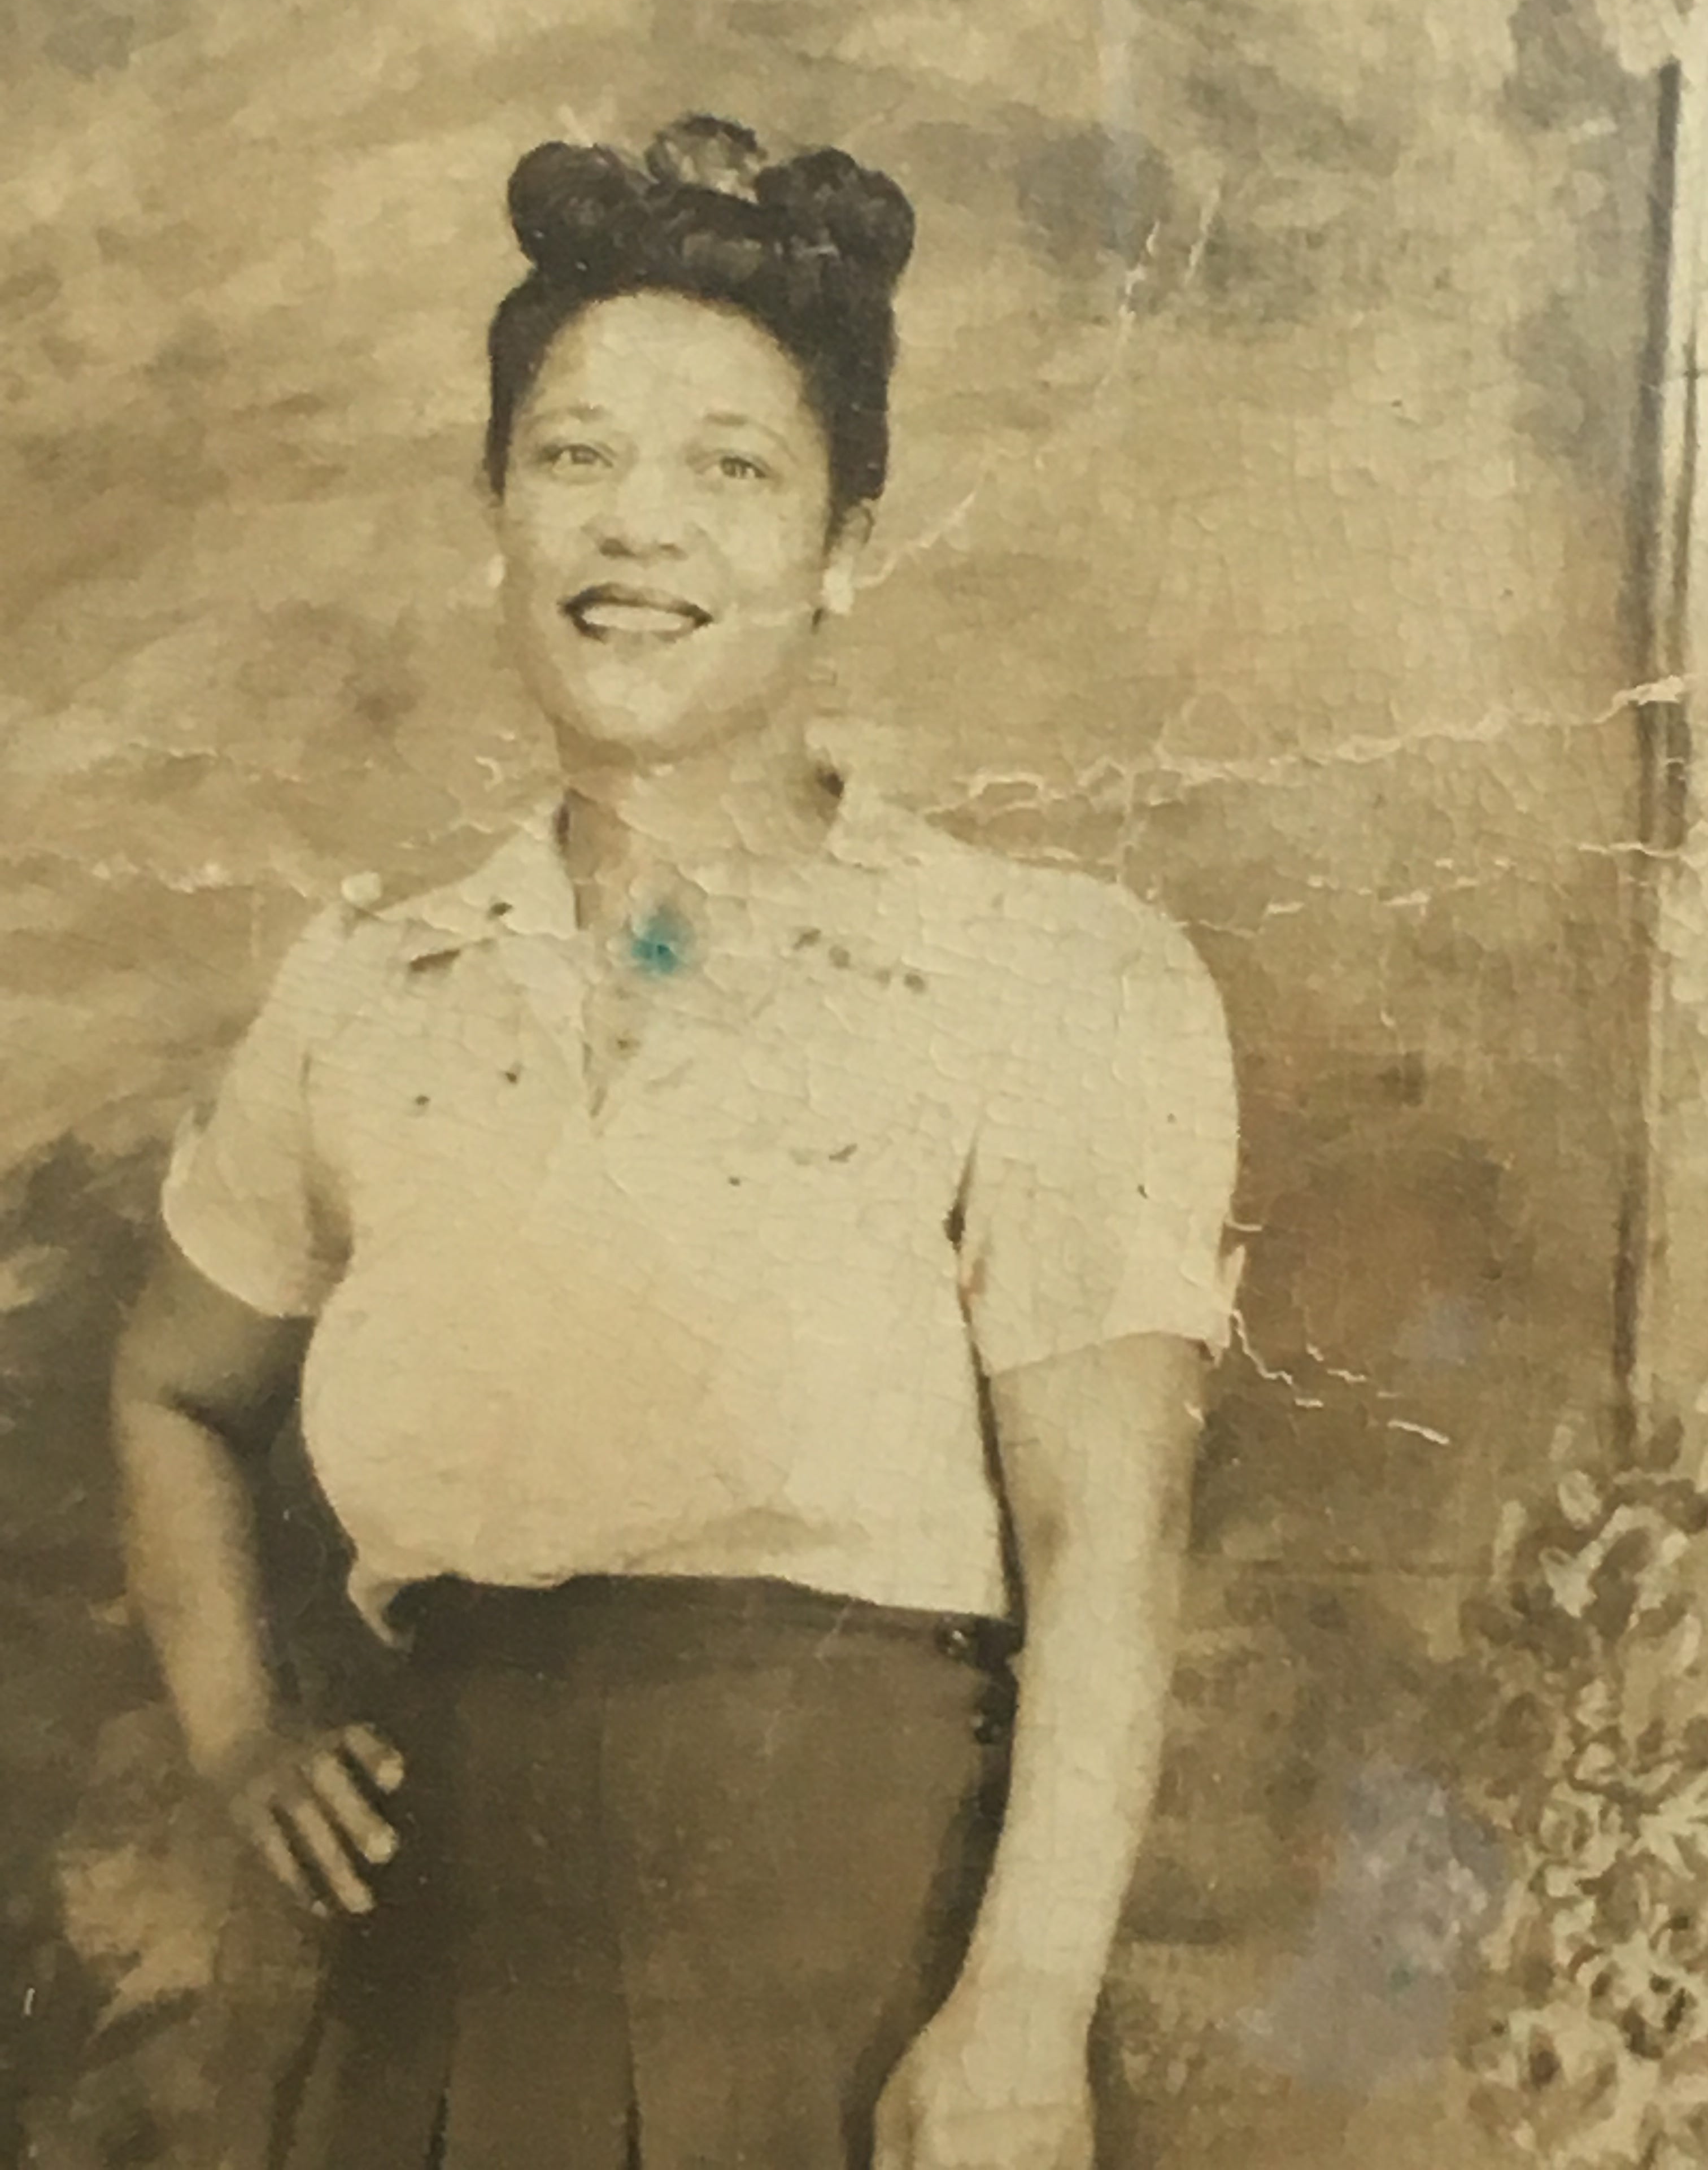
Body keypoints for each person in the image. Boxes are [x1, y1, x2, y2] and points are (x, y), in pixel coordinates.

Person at [110, 114, 1242, 2170]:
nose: (639, 528)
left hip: (857, 1987)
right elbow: (174, 1385)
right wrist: (245, 1731)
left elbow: (1107, 1542)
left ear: (846, 544)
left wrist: (1022, 2009)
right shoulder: (373, 991)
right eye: (574, 455)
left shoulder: (1048, 974)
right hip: (436, 2005)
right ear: (496, 514)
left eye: (732, 470)